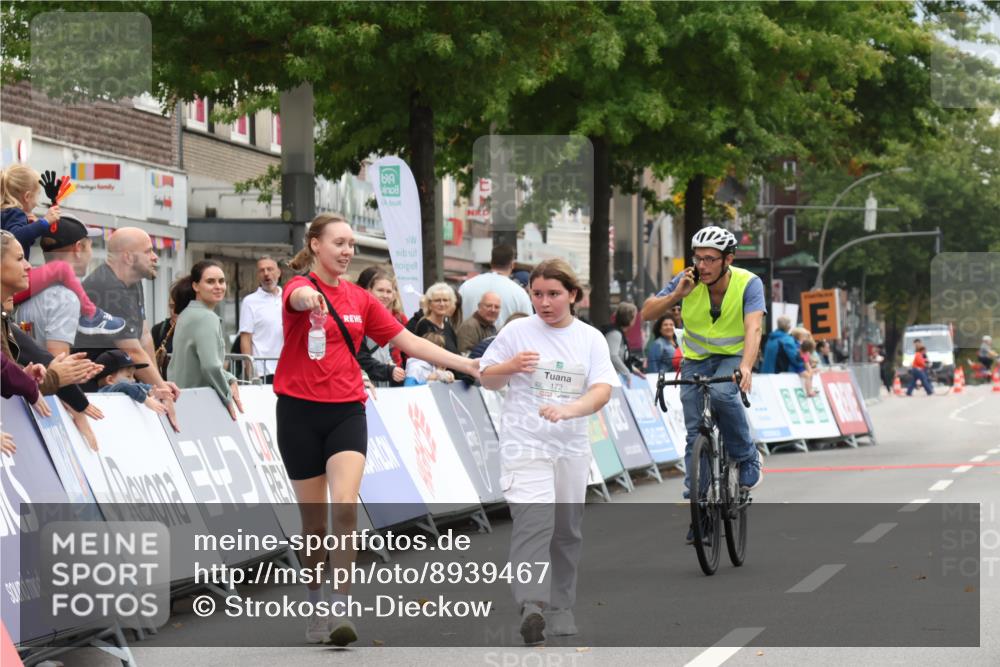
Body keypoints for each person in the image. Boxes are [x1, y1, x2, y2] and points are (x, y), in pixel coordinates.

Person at [273, 213, 479, 646]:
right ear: (315, 245)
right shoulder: (299, 287)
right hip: (298, 414)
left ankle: (340, 607)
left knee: (345, 505)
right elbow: (295, 296)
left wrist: (465, 364)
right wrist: (308, 300)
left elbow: (409, 342)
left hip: (347, 410)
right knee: (313, 525)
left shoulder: (361, 300)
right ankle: (314, 601)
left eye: (351, 244)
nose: (347, 251)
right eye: (339, 243)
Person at [480, 258, 618, 645]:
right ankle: (532, 605)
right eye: (537, 294)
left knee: (565, 531)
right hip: (524, 444)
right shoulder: (517, 332)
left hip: (570, 446)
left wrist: (569, 410)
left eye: (553, 294)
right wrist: (509, 365)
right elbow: (488, 380)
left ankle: (561, 607)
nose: (544, 302)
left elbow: (602, 390)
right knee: (533, 522)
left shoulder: (589, 339)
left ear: (573, 295)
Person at [640, 226, 765, 542]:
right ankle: (700, 505)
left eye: (711, 259)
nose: (703, 265)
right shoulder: (688, 280)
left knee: (724, 393)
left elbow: (753, 328)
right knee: (695, 429)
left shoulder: (749, 283)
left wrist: (746, 367)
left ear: (728, 260)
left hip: (733, 356)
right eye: (699, 258)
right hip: (696, 358)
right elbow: (646, 313)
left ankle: (747, 455)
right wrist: (677, 295)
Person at [2, 230, 104, 448]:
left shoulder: (7, 315)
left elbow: (12, 367)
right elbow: (49, 360)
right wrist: (57, 381)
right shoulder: (65, 297)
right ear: (78, 248)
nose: (29, 266)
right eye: (20, 258)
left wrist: (25, 377)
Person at [76, 227, 181, 428]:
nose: (155, 257)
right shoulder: (107, 287)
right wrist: (162, 392)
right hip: (92, 391)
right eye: (148, 251)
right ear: (128, 257)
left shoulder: (132, 282)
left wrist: (158, 383)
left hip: (113, 385)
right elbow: (131, 349)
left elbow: (144, 336)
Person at [1, 166, 125, 335]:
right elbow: (14, 239)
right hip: (11, 287)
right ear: (27, 196)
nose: (37, 202)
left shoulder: (6, 214)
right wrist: (44, 222)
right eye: (37, 196)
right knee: (62, 268)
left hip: (10, 291)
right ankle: (91, 314)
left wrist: (33, 225)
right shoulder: (15, 213)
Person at [14, 214, 108, 356]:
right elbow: (59, 364)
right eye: (91, 246)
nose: (92, 253)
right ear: (78, 248)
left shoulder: (22, 290)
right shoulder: (66, 297)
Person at [167, 260, 244, 419]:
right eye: (210, 281)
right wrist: (227, 397)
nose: (218, 286)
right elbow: (210, 366)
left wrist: (229, 378)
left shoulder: (187, 313)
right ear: (196, 286)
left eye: (221, 281)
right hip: (199, 404)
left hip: (181, 400)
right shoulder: (206, 318)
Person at [458, 244, 533, 327]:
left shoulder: (466, 286)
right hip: (505, 339)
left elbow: (454, 319)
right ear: (513, 265)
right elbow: (529, 327)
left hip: (466, 338)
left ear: (491, 263)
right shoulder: (519, 293)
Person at [356, 270, 407, 387]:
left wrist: (392, 368)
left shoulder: (388, 319)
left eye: (389, 291)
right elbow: (360, 359)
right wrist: (388, 370)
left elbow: (386, 355)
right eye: (380, 290)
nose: (385, 295)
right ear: (369, 291)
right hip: (363, 386)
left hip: (384, 384)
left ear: (394, 295)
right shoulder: (359, 317)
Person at [238, 255, 284, 383]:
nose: (266, 274)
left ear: (279, 272)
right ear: (258, 275)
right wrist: (251, 373)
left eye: (270, 269)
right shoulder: (250, 302)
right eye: (262, 270)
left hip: (287, 369)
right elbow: (245, 338)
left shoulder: (289, 298)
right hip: (262, 372)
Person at [93, 349, 167, 414]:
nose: (133, 379)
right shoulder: (107, 390)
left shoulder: (128, 388)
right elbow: (125, 386)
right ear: (110, 380)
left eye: (133, 375)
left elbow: (136, 385)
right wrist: (146, 400)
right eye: (128, 376)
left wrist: (150, 390)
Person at [761, 315, 817, 395]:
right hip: (779, 375)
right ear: (788, 326)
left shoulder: (770, 338)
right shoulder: (787, 340)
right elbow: (796, 360)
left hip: (766, 373)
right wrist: (805, 362)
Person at [605, 302, 645, 387]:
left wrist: (632, 369)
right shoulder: (615, 333)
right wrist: (627, 372)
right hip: (609, 381)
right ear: (630, 318)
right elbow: (613, 356)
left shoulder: (618, 332)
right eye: (634, 316)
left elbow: (620, 358)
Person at [415, 282, 460, 353]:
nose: (442, 304)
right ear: (429, 304)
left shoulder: (448, 326)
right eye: (437, 300)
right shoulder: (424, 325)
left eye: (445, 300)